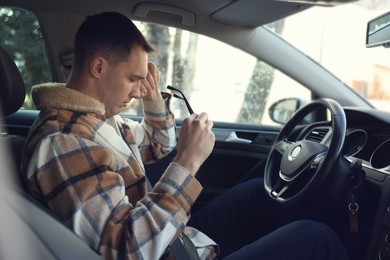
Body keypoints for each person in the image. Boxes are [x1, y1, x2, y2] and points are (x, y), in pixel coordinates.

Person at [21, 12, 350, 260]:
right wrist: (188, 161)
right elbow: (125, 249)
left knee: (257, 194)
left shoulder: (97, 119)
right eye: (133, 79)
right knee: (315, 237)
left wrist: (152, 99)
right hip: (162, 248)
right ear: (98, 67)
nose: (138, 90)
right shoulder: (64, 140)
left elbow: (156, 145)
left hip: (174, 239)